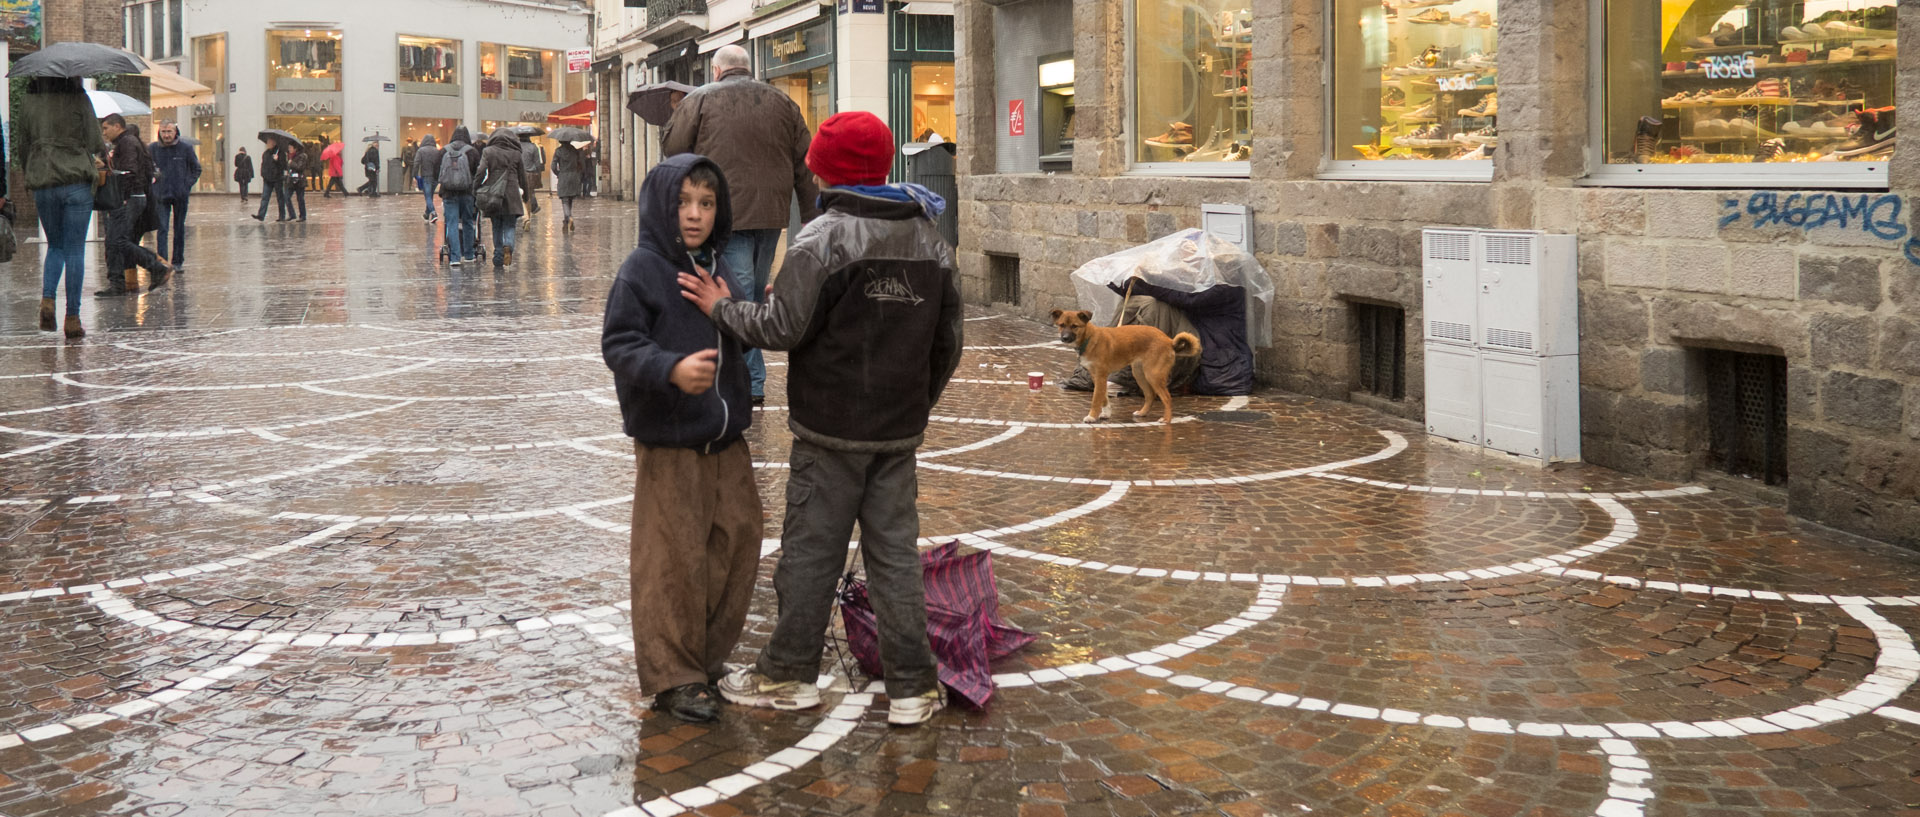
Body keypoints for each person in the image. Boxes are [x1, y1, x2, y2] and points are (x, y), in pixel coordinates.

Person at [680, 112, 962, 728]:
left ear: (826, 170)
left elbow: (781, 328)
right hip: (896, 432)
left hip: (830, 429)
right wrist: (915, 403)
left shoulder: (820, 239)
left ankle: (788, 674)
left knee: (810, 555)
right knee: (894, 559)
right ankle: (913, 686)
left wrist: (724, 308)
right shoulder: (932, 240)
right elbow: (949, 344)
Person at [601, 154, 758, 724]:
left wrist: (738, 306)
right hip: (670, 441)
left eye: (707, 203)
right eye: (684, 202)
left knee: (735, 545)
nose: (695, 215)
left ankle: (708, 659)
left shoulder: (718, 266)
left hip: (725, 438)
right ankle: (676, 675)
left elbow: (741, 333)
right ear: (663, 206)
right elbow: (619, 343)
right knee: (673, 560)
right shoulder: (641, 270)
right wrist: (669, 368)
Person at [662, 43, 821, 406]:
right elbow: (805, 162)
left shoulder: (700, 100)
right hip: (771, 214)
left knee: (737, 296)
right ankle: (746, 378)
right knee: (750, 290)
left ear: (716, 71)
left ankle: (749, 383)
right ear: (748, 69)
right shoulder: (783, 103)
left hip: (725, 213)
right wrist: (812, 217)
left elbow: (672, 150)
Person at [18, 76, 104, 338]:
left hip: (44, 181)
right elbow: (94, 141)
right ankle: (73, 317)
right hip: (77, 181)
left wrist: (31, 171)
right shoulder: (79, 98)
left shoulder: (29, 102)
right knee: (75, 250)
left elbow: (23, 145)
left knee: (55, 246)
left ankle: (47, 299)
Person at [97, 114, 172, 297]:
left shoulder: (127, 143)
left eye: (106, 128)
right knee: (115, 240)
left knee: (118, 240)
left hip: (129, 198)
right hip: (129, 197)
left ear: (117, 126)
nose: (104, 133)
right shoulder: (126, 143)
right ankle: (118, 283)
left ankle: (155, 266)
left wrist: (112, 176)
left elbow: (128, 172)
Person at [149, 122, 201, 271]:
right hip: (160, 194)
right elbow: (147, 168)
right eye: (164, 131)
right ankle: (163, 262)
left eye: (169, 131)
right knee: (162, 228)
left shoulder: (185, 148)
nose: (166, 135)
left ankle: (178, 261)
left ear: (175, 131)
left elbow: (196, 168)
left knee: (179, 228)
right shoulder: (152, 149)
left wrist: (186, 185)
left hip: (180, 195)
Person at [478, 128, 528, 269]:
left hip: (494, 192)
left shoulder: (488, 152)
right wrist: (527, 196)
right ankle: (508, 246)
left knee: (497, 226)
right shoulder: (516, 154)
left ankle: (498, 254)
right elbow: (522, 177)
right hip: (512, 194)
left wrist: (476, 187)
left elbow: (481, 171)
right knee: (510, 224)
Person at [437, 126, 481, 266]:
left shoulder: (444, 150)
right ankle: (468, 255)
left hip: (449, 192)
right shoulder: (472, 151)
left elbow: (436, 172)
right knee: (468, 222)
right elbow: (477, 172)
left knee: (452, 223)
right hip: (467, 193)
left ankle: (454, 257)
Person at [552, 138, 592, 231]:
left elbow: (553, 166)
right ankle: (566, 221)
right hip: (574, 176)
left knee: (565, 199)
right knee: (570, 198)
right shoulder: (575, 150)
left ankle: (568, 216)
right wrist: (578, 173)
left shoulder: (558, 151)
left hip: (564, 176)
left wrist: (558, 173)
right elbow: (581, 164)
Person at [251, 136, 290, 222]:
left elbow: (284, 166)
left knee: (280, 198)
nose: (267, 144)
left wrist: (277, 160)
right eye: (267, 142)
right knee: (265, 197)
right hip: (267, 179)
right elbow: (263, 165)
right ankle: (261, 215)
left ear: (274, 143)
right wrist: (263, 174)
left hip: (277, 179)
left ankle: (282, 216)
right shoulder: (266, 153)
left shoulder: (280, 153)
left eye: (269, 142)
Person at [414, 134, 442, 223]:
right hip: (435, 177)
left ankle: (433, 213)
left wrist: (415, 175)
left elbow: (416, 163)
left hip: (426, 176)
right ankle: (426, 214)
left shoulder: (421, 151)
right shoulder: (437, 151)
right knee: (430, 195)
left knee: (428, 196)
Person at [518, 134, 543, 217]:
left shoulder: (516, 146)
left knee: (519, 192)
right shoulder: (533, 147)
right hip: (530, 173)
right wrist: (538, 173)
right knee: (531, 192)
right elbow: (537, 163)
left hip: (518, 173)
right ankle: (531, 210)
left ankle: (523, 211)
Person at [284, 142, 309, 221]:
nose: (289, 149)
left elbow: (300, 167)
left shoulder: (302, 156)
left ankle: (303, 216)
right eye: (289, 148)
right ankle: (292, 214)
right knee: (286, 197)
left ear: (295, 148)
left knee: (300, 198)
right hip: (291, 180)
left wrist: (292, 163)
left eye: (290, 147)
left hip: (299, 180)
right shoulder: (288, 156)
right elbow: (287, 168)